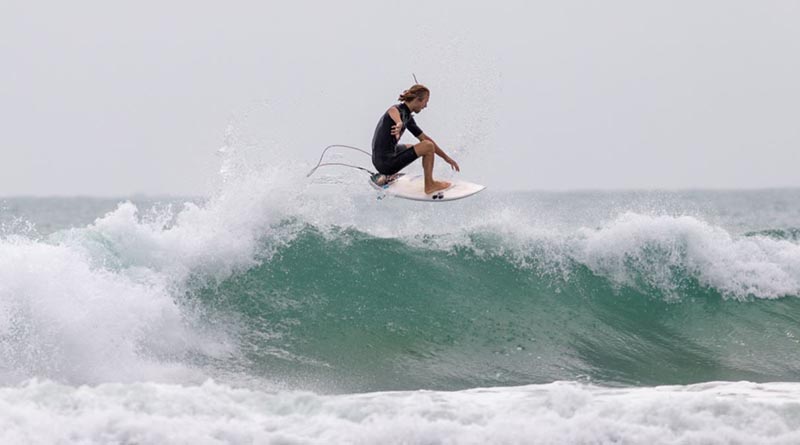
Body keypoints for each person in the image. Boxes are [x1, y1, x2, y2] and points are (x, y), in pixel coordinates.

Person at [371, 84, 460, 194]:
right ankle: (430, 185)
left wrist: (446, 158)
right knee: (428, 146)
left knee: (412, 146)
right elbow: (392, 111)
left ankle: (387, 175)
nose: (425, 106)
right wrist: (399, 122)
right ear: (418, 100)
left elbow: (424, 138)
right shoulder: (398, 110)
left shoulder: (407, 116)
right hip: (386, 164)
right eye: (425, 102)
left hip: (378, 160)